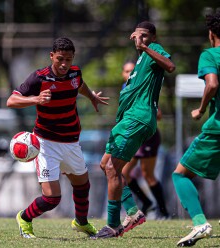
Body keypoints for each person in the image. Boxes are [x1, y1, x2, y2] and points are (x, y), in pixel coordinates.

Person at [6, 37, 109, 238]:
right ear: (51, 56)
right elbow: (11, 100)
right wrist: (36, 99)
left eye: (68, 60)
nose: (64, 64)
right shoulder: (39, 78)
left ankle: (81, 223)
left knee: (82, 185)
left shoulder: (75, 73)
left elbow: (79, 85)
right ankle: (24, 218)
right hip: (46, 143)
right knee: (52, 198)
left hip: (71, 142)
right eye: (60, 59)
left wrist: (92, 97)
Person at [92, 21, 175, 239]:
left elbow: (170, 65)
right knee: (105, 165)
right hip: (126, 120)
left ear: (153, 38)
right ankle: (132, 211)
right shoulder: (139, 62)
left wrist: (146, 46)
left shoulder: (153, 50)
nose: (141, 39)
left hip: (138, 119)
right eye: (138, 36)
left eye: (146, 36)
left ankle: (113, 225)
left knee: (113, 168)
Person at [173, 12, 220, 247]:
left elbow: (212, 84)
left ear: (211, 34)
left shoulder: (210, 54)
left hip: (218, 129)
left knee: (180, 174)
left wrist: (201, 109)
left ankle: (200, 223)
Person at [121, 61, 169, 219]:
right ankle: (146, 202)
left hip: (148, 137)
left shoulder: (145, 86)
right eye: (127, 71)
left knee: (148, 174)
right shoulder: (125, 88)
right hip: (134, 137)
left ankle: (163, 212)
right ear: (123, 74)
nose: (129, 74)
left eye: (132, 71)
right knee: (124, 173)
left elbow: (159, 114)